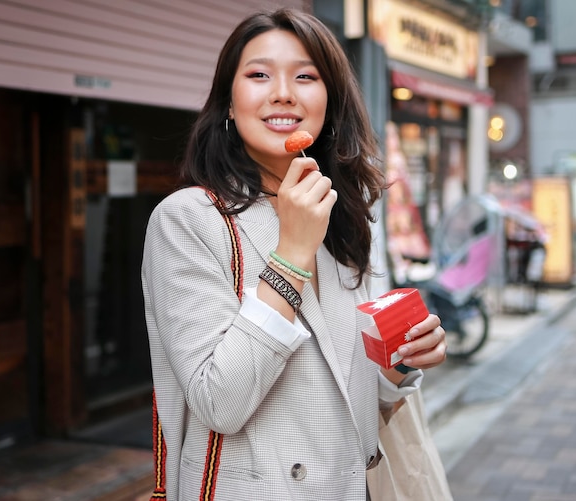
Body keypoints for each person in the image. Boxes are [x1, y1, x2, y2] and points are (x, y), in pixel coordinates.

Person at [141, 8, 447, 500]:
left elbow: (351, 399)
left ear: (330, 101)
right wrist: (291, 253)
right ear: (228, 102)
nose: (283, 92)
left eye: (305, 76)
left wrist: (401, 363)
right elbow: (220, 402)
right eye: (259, 74)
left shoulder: (342, 216)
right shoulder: (187, 220)